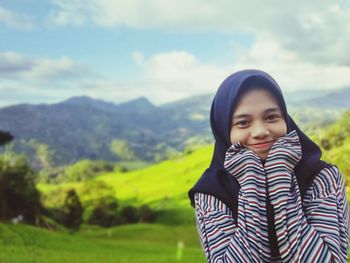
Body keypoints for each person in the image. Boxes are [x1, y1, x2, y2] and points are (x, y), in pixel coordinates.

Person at [188, 69, 350, 262]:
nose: (260, 131)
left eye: (271, 117)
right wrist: (251, 182)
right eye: (243, 122)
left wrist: (280, 177)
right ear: (223, 129)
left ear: (285, 120)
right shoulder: (212, 194)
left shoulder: (323, 179)